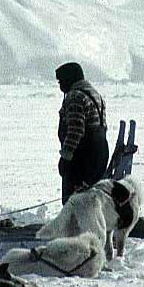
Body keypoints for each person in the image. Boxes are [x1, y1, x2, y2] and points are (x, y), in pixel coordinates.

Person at [55, 61, 109, 204]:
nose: (60, 85)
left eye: (61, 81)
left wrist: (66, 157)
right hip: (99, 155)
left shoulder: (75, 97)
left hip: (81, 159)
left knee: (73, 203)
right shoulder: (95, 94)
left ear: (69, 79)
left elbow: (75, 130)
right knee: (89, 201)